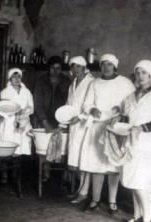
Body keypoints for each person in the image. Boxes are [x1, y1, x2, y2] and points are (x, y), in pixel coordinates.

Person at [80, 53, 135, 213]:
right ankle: (95, 200)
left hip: (115, 128)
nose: (106, 67)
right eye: (103, 64)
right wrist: (93, 109)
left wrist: (120, 109)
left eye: (109, 64)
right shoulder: (94, 83)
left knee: (113, 166)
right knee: (97, 164)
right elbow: (86, 104)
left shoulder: (125, 83)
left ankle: (112, 202)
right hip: (98, 128)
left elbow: (132, 103)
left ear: (115, 66)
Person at [120, 60, 151, 222]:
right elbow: (126, 119)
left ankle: (147, 217)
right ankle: (138, 216)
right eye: (138, 73)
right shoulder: (130, 97)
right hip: (132, 142)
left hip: (149, 144)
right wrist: (118, 126)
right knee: (134, 180)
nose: (140, 77)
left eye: (144, 73)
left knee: (141, 181)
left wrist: (141, 128)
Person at [66, 56, 95, 204]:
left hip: (85, 126)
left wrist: (80, 117)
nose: (75, 69)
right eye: (73, 67)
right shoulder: (73, 84)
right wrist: (64, 119)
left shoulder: (91, 83)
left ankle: (84, 193)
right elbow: (69, 105)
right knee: (77, 160)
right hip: (73, 125)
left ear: (84, 68)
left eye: (78, 67)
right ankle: (80, 190)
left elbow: (92, 106)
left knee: (84, 159)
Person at [0, 68, 34, 156]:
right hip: (9, 123)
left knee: (22, 148)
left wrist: (24, 112)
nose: (16, 79)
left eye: (19, 77)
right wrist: (14, 112)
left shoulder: (27, 92)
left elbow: (31, 107)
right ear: (9, 78)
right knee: (9, 149)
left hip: (24, 122)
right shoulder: (4, 92)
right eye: (14, 77)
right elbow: (2, 108)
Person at [34, 56, 71, 131]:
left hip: (62, 120)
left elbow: (69, 104)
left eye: (58, 68)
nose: (55, 71)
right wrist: (45, 123)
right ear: (48, 68)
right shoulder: (41, 81)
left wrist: (64, 123)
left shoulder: (67, 82)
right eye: (52, 68)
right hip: (43, 119)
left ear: (61, 69)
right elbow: (38, 104)